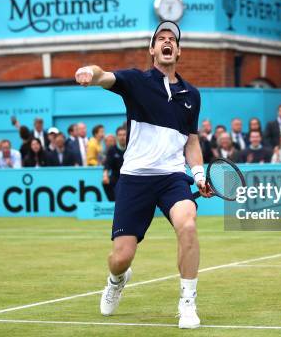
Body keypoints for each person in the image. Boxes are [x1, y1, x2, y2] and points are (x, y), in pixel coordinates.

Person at [74, 20, 212, 329]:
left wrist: (199, 174)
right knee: (121, 256)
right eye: (161, 38)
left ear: (178, 51)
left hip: (172, 177)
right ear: (152, 50)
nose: (167, 41)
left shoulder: (192, 94)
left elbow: (191, 140)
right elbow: (103, 75)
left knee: (188, 223)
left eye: (172, 39)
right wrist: (89, 72)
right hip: (135, 177)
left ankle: (187, 303)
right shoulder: (136, 81)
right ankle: (117, 278)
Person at [103, 126, 127, 201]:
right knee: (105, 183)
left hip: (129, 177)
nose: (122, 137)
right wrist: (105, 175)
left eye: (124, 135)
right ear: (117, 137)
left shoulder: (132, 148)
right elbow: (107, 164)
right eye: (120, 135)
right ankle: (114, 203)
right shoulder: (112, 150)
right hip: (116, 178)